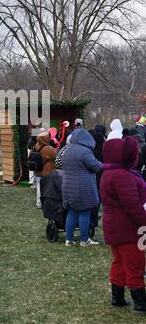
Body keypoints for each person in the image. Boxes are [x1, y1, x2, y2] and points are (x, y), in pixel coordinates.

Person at [100, 136, 146, 312]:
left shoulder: (108, 173)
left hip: (114, 227)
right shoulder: (123, 176)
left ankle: (117, 296)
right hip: (127, 229)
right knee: (135, 263)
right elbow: (132, 205)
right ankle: (140, 301)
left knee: (119, 261)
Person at [62, 129, 103, 246]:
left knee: (72, 212)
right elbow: (96, 166)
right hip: (82, 187)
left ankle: (69, 239)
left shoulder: (67, 149)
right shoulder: (84, 151)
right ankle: (85, 240)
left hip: (67, 186)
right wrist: (103, 164)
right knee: (85, 212)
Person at [33, 131, 56, 209]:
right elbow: (56, 157)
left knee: (39, 188)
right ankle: (47, 204)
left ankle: (39, 203)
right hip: (46, 171)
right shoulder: (49, 149)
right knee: (47, 189)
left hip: (37, 171)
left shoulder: (35, 146)